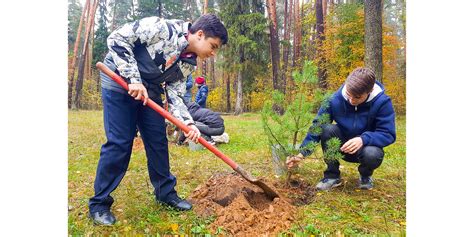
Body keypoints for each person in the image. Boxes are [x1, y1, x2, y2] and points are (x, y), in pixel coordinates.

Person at [89, 14, 228, 226]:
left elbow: (176, 96)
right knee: (120, 142)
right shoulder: (161, 28)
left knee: (157, 140)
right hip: (118, 80)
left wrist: (188, 124)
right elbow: (116, 39)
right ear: (200, 35)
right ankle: (99, 203)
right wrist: (133, 80)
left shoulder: (189, 64)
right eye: (213, 46)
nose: (213, 53)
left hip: (150, 89)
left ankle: (165, 193)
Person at [286, 67, 396, 191]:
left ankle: (365, 175)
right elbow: (317, 126)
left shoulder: (382, 102)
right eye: (349, 95)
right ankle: (332, 175)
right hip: (341, 146)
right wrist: (302, 154)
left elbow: (388, 133)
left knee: (372, 154)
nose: (351, 100)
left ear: (369, 91)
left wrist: (363, 139)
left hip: (365, 149)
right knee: (327, 129)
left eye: (357, 97)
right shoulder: (334, 99)